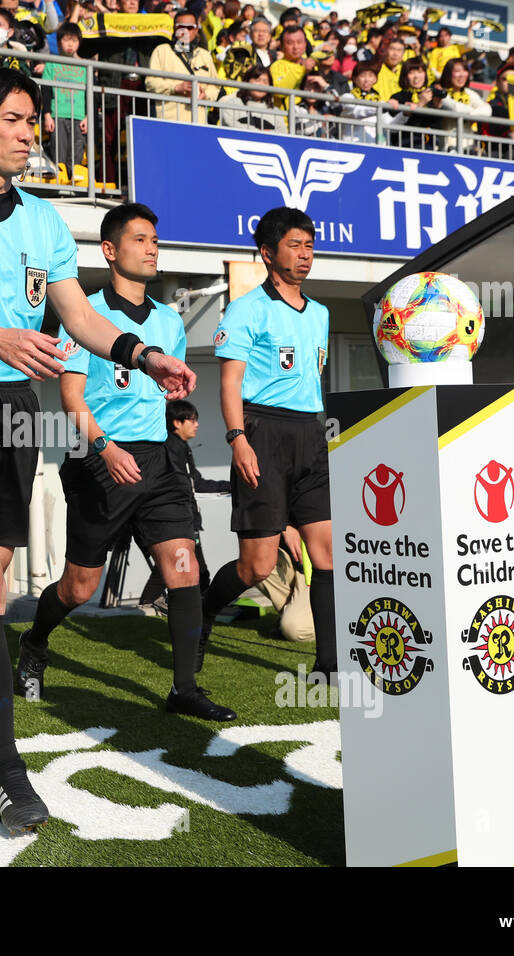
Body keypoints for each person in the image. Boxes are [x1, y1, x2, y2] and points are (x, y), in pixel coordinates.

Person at [0, 67, 196, 832]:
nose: (31, 134)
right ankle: (13, 778)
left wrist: (141, 353)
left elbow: (78, 316)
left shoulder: (48, 223)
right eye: (17, 120)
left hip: (15, 414)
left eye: (35, 122)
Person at [15, 205, 235, 720]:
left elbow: (163, 395)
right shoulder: (84, 313)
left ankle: (184, 689)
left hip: (158, 462)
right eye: (140, 239)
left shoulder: (168, 320)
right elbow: (73, 401)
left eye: (155, 238)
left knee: (183, 568)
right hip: (100, 460)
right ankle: (35, 641)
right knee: (79, 586)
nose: (153, 247)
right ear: (111, 250)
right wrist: (106, 449)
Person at [202, 206, 336, 681]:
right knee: (256, 565)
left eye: (310, 245)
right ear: (267, 252)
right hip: (261, 432)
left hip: (309, 434)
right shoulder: (246, 309)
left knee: (325, 555)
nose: (306, 254)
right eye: (295, 246)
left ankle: (329, 666)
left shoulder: (320, 313)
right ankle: (203, 613)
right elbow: (230, 384)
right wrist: (238, 439)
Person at [139, 399, 230, 607]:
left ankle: (199, 609)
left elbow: (195, 482)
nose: (197, 424)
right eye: (192, 420)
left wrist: (230, 485)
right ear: (177, 423)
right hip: (178, 519)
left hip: (189, 518)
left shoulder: (182, 447)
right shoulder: (169, 448)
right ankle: (151, 602)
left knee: (190, 568)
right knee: (185, 567)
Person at [147, 11, 221, 122]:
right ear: (174, 28)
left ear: (196, 30)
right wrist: (175, 88)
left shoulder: (204, 54)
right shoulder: (162, 50)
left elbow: (215, 87)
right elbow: (150, 83)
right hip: (168, 121)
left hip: (198, 122)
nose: (185, 31)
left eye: (190, 28)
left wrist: (205, 95)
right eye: (181, 27)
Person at [43, 21, 89, 174]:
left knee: (76, 153)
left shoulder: (85, 66)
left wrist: (88, 116)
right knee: (59, 153)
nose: (70, 44)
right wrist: (47, 115)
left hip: (78, 115)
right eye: (66, 40)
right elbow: (46, 91)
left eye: (74, 40)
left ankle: (73, 183)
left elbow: (91, 94)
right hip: (58, 115)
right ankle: (60, 182)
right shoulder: (52, 64)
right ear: (58, 42)